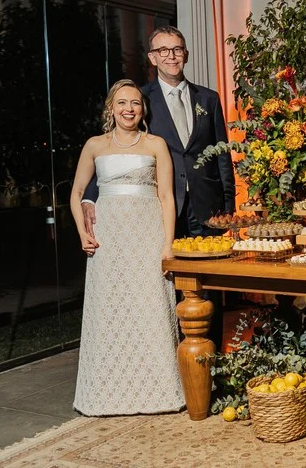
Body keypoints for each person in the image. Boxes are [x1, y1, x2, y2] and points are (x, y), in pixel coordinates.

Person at [82, 25, 235, 346]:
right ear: (152, 57)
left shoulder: (208, 98)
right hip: (161, 211)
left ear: (186, 54)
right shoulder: (140, 99)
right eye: (163, 51)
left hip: (208, 209)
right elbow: (115, 150)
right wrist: (90, 198)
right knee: (170, 287)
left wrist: (229, 211)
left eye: (177, 49)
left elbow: (223, 156)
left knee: (211, 289)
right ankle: (179, 362)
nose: (171, 56)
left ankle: (213, 365)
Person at [70, 79, 185, 415]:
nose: (129, 109)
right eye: (122, 103)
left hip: (147, 235)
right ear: (111, 108)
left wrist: (168, 243)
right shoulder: (94, 145)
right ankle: (106, 393)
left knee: (150, 307)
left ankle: (159, 392)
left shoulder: (155, 144)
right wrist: (82, 233)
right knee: (111, 310)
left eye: (135, 103)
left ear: (142, 108)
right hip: (109, 239)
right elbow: (76, 194)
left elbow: (166, 196)